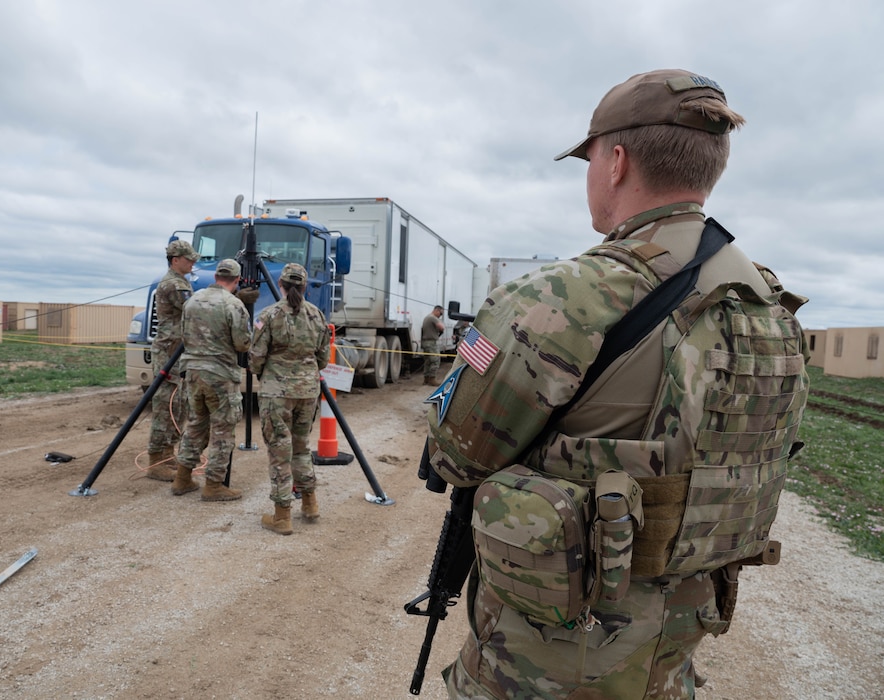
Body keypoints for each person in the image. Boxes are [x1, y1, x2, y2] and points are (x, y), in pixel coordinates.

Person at [425, 69, 810, 698]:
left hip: (539, 668)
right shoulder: (772, 308)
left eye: (589, 158)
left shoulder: (557, 298)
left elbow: (453, 455)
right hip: (669, 662)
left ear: (616, 162)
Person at [249, 263, 331, 535]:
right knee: (301, 447)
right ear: (305, 287)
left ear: (281, 285)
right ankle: (310, 504)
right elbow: (322, 359)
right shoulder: (318, 316)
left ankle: (282, 516)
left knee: (279, 452)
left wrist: (266, 373)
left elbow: (256, 357)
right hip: (307, 391)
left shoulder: (268, 315)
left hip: (277, 392)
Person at [170, 258, 252, 500]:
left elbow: (183, 334)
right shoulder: (233, 305)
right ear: (237, 281)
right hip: (220, 374)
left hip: (193, 373)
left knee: (195, 425)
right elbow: (242, 343)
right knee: (222, 430)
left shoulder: (192, 300)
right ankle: (214, 485)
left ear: (216, 277)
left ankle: (182, 478)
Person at [146, 239, 199, 481]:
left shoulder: (182, 281)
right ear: (175, 260)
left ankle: (168, 454)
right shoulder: (173, 285)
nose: (193, 263)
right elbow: (197, 310)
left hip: (179, 351)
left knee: (178, 405)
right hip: (169, 352)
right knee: (165, 406)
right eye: (189, 259)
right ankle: (156, 459)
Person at [420, 305, 445, 385]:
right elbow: (441, 327)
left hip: (425, 342)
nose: (440, 316)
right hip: (431, 343)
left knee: (427, 361)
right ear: (437, 310)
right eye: (440, 314)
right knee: (435, 360)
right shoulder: (433, 318)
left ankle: (426, 379)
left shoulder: (427, 317)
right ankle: (432, 379)